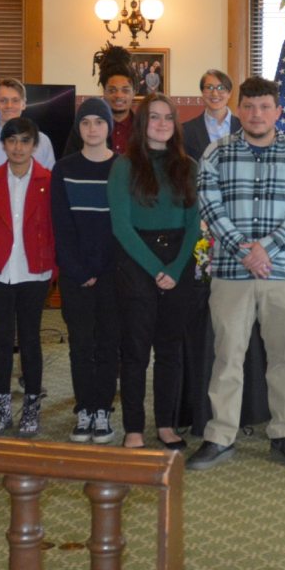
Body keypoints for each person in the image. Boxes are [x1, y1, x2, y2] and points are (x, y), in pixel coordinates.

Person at [189, 77, 285, 470]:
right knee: (227, 356)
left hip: (282, 273)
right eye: (249, 106)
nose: (256, 114)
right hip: (232, 273)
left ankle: (284, 434)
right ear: (238, 109)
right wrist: (246, 252)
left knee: (283, 357)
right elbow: (209, 206)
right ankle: (220, 435)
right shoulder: (216, 152)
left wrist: (268, 248)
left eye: (265, 107)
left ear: (278, 112)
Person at [110, 94, 203, 451]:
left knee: (170, 349)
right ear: (142, 124)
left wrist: (175, 269)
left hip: (179, 259)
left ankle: (165, 424)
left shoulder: (188, 165)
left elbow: (194, 224)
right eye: (154, 118)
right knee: (135, 351)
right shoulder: (124, 165)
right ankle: (133, 427)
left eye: (168, 118)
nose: (162, 124)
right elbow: (121, 226)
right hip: (136, 260)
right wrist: (155, 269)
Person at [0, 78, 56, 399]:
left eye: (13, 99)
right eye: (2, 100)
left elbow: (48, 190)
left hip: (33, 240)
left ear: (24, 102)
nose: (8, 105)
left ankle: (27, 376)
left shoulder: (42, 140)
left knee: (30, 320)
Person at [0, 117, 55, 438]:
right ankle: (2, 405)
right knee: (1, 339)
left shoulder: (49, 180)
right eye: (12, 141)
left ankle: (32, 405)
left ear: (34, 145)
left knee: (31, 339)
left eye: (25, 141)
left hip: (35, 270)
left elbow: (54, 227)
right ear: (4, 144)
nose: (18, 147)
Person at [51, 98, 122, 444]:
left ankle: (103, 409)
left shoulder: (124, 168)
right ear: (78, 129)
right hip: (76, 274)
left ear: (109, 127)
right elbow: (61, 226)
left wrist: (103, 269)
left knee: (109, 343)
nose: (92, 128)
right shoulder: (63, 168)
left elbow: (124, 226)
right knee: (80, 344)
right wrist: (79, 270)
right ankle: (84, 408)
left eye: (99, 122)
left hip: (113, 275)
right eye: (85, 122)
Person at [65, 44, 137, 156]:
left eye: (125, 90)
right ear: (104, 92)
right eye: (112, 90)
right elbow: (69, 163)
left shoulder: (144, 129)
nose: (118, 95)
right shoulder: (86, 126)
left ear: (134, 93)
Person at [181, 69, 242, 161]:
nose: (215, 93)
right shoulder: (186, 130)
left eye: (221, 88)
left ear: (229, 93)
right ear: (202, 92)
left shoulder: (243, 127)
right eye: (209, 87)